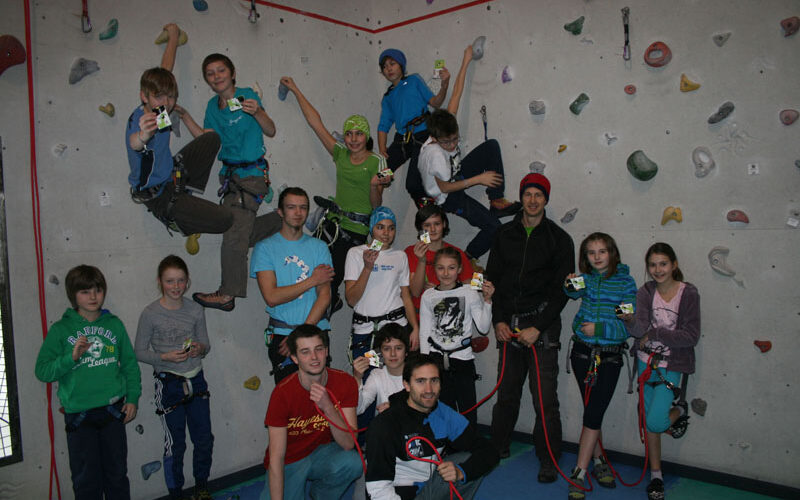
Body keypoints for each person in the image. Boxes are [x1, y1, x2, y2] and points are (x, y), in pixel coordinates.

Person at [485, 173, 574, 482]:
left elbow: (563, 291)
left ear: (546, 200)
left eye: (539, 195)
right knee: (506, 393)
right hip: (508, 325)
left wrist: (538, 327)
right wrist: (497, 319)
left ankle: (549, 458)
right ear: (521, 198)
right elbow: (492, 280)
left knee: (545, 400)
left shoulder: (559, 240)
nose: (533, 200)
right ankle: (498, 446)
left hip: (543, 328)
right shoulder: (504, 234)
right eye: (528, 194)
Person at [280, 76, 390, 315]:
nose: (352, 138)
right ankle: (319, 312)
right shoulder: (340, 153)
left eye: (358, 134)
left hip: (356, 231)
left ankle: (324, 316)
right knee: (316, 274)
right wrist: (296, 89)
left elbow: (377, 203)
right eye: (348, 133)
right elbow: (316, 123)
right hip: (331, 223)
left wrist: (374, 184)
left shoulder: (376, 161)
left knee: (330, 278)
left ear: (366, 136)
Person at [35, 265, 141, 499]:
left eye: (98, 290)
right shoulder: (61, 330)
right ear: (73, 295)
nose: (93, 296)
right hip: (80, 416)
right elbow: (42, 371)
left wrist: (132, 398)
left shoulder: (114, 324)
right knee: (86, 482)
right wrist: (70, 358)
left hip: (113, 411)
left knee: (117, 476)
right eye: (85, 291)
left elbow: (130, 365)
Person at [188, 54, 282, 311]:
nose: (216, 76)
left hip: (250, 176)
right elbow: (208, 139)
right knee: (238, 233)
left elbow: (270, 130)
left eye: (221, 71)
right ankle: (283, 219)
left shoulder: (246, 95)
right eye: (210, 73)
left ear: (232, 73)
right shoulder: (211, 107)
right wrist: (184, 115)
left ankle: (227, 294)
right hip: (230, 178)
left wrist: (259, 111)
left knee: (233, 236)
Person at [125, 24, 233, 248]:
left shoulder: (159, 108)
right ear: (143, 97)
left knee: (211, 138)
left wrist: (173, 38)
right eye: (160, 97)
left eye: (171, 97)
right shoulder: (143, 122)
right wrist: (143, 135)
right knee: (226, 219)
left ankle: (186, 194)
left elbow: (166, 71)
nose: (167, 103)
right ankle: (181, 222)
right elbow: (134, 143)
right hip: (158, 197)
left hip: (172, 175)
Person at [417, 45, 520, 266]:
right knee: (494, 227)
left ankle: (496, 200)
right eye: (447, 142)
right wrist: (478, 180)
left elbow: (456, 93)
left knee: (491, 146)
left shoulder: (445, 125)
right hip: (447, 197)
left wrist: (465, 61)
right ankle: (469, 256)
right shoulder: (435, 155)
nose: (453, 144)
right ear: (434, 139)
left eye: (455, 139)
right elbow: (444, 187)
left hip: (454, 174)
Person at [562, 233, 637, 499]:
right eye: (591, 252)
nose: (597, 257)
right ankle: (599, 460)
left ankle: (579, 472)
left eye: (602, 251)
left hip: (609, 356)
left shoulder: (626, 282)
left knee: (593, 413)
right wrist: (570, 283)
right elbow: (572, 292)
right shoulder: (588, 278)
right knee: (591, 411)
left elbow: (625, 324)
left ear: (612, 253)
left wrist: (600, 327)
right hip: (582, 353)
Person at [365, 354, 499, 500]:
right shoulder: (385, 424)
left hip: (427, 486)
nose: (429, 390)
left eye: (434, 380)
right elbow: (377, 488)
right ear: (407, 385)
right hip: (398, 493)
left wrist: (462, 472)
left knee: (470, 460)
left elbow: (489, 450)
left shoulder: (443, 414)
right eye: (420, 381)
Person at [134, 255, 213, 500]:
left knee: (203, 438)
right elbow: (138, 351)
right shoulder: (150, 313)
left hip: (196, 379)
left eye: (180, 281)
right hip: (168, 384)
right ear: (160, 282)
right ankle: (176, 493)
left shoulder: (196, 309)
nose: (176, 286)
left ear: (187, 282)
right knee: (175, 444)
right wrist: (164, 357)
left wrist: (200, 349)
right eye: (170, 281)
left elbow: (206, 344)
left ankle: (201, 486)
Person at [629, 243, 700, 500]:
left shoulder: (688, 293)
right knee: (650, 422)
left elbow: (691, 336)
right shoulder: (646, 291)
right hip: (645, 362)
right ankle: (656, 475)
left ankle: (680, 409)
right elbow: (639, 332)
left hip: (671, 364)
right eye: (652, 265)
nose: (658, 270)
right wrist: (628, 321)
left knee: (656, 421)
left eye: (663, 264)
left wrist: (657, 333)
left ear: (674, 265)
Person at [262, 325, 362, 500]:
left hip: (320, 453)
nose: (314, 357)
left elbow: (348, 444)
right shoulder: (282, 393)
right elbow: (276, 457)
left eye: (318, 349)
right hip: (289, 460)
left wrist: (328, 407)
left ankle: (320, 495)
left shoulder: (345, 382)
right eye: (305, 352)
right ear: (294, 358)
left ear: (326, 351)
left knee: (354, 463)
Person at [250, 187, 334, 383]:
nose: (298, 213)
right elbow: (271, 297)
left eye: (303, 208)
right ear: (280, 211)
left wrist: (301, 334)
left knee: (320, 401)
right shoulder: (265, 248)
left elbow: (325, 296)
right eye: (291, 207)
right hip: (282, 337)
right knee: (290, 404)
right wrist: (312, 280)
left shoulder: (319, 247)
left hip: (315, 333)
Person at [419, 247, 493, 424]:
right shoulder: (428, 296)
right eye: (441, 268)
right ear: (434, 269)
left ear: (459, 269)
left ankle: (468, 442)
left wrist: (487, 301)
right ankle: (445, 444)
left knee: (467, 408)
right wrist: (424, 363)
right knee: (442, 407)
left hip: (462, 358)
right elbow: (424, 332)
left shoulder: (469, 292)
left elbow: (483, 328)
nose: (446, 273)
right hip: (436, 358)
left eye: (451, 268)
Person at [344, 206, 420, 361]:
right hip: (366, 330)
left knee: (400, 379)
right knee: (368, 378)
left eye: (391, 228)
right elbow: (351, 300)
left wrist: (415, 328)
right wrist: (367, 268)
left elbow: (406, 296)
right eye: (380, 227)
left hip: (396, 327)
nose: (386, 233)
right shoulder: (356, 253)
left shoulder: (400, 256)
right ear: (372, 229)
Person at [377, 48, 449, 205]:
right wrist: (382, 149)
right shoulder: (388, 97)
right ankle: (374, 208)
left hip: (422, 135)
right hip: (402, 140)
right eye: (384, 66)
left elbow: (436, 103)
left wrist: (444, 85)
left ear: (401, 65)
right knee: (380, 174)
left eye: (392, 63)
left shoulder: (414, 81)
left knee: (412, 184)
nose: (388, 68)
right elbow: (383, 125)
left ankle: (428, 212)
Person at [405, 204, 473, 316]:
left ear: (444, 224)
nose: (432, 229)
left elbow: (470, 282)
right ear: (421, 228)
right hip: (419, 316)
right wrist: (422, 260)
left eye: (437, 224)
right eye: (427, 225)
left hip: (448, 315)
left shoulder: (457, 252)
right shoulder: (410, 252)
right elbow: (416, 292)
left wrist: (486, 282)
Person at [352, 322, 410, 416]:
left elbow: (425, 407)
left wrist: (395, 407)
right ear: (379, 353)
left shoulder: (417, 373)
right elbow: (358, 409)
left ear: (406, 351)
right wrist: (357, 378)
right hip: (384, 429)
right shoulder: (377, 374)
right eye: (387, 349)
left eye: (398, 348)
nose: (393, 354)